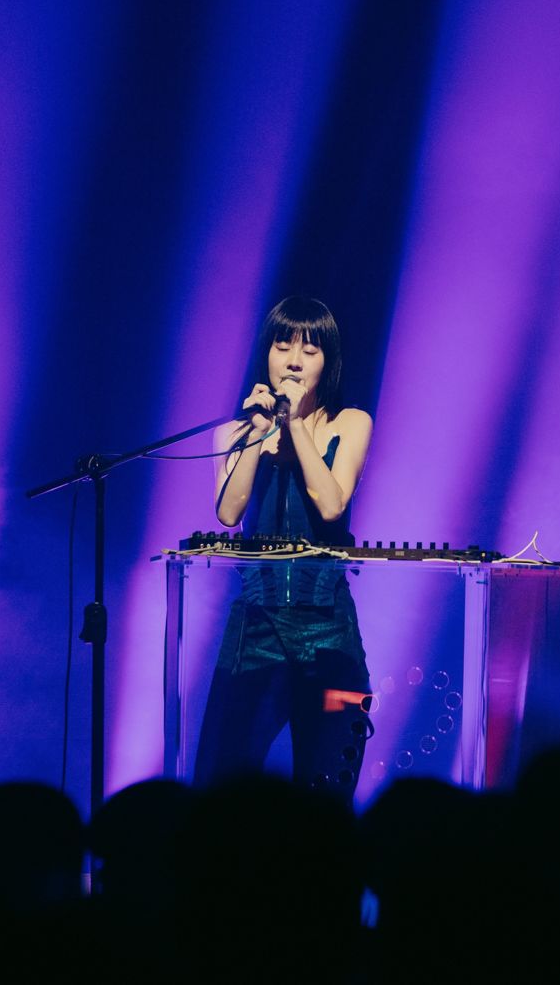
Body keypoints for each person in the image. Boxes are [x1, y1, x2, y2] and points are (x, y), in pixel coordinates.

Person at [193, 296, 375, 800]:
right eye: (283, 345)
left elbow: (331, 503)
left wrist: (293, 425)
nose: (294, 361)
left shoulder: (349, 423)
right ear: (267, 354)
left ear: (328, 361)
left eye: (310, 350)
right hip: (256, 629)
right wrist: (258, 433)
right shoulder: (231, 432)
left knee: (325, 785)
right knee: (224, 783)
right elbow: (228, 513)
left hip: (330, 632)